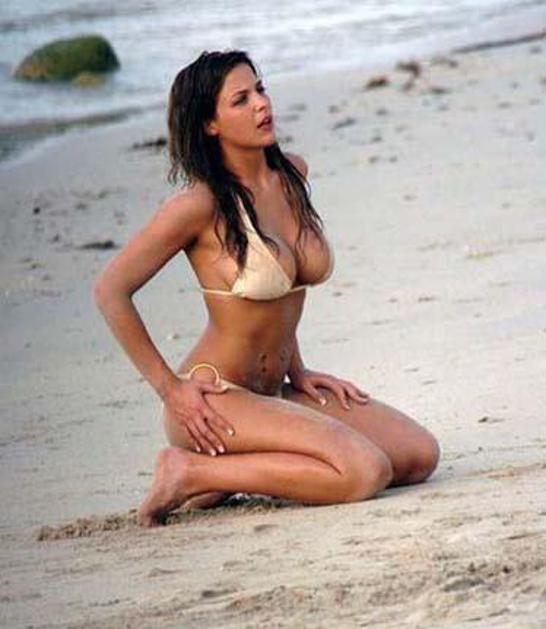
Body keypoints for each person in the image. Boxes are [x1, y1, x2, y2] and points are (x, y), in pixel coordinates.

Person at [93, 50, 440, 527]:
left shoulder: (292, 175)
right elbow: (111, 290)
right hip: (216, 398)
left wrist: (297, 368)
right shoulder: (199, 205)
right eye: (240, 99)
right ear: (210, 124)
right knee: (365, 470)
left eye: (260, 89)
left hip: (276, 391)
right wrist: (170, 390)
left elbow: (281, 292)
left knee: (418, 455)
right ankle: (189, 472)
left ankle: (228, 473)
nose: (261, 104)